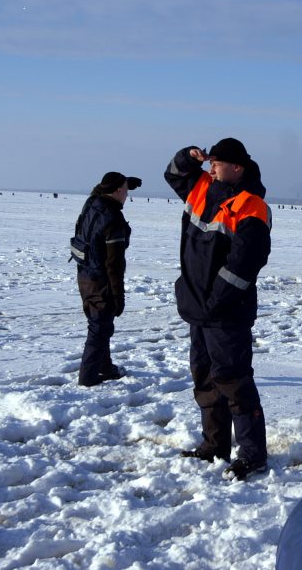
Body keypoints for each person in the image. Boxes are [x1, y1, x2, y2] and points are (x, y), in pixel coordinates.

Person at [164, 138, 272, 481]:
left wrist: (215, 301)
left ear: (236, 167)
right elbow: (173, 175)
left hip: (226, 314)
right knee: (205, 379)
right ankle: (215, 445)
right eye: (209, 163)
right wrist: (188, 156)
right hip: (198, 309)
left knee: (234, 382)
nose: (211, 168)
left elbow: (245, 264)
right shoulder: (202, 188)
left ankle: (253, 455)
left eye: (217, 163)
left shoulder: (251, 206)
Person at [70, 172, 141, 387]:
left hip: (84, 275)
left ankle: (104, 367)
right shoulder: (113, 218)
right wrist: (118, 296)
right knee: (99, 328)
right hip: (100, 279)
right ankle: (87, 379)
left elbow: (100, 189)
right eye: (126, 190)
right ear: (118, 191)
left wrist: (126, 181)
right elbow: (115, 264)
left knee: (101, 325)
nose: (127, 195)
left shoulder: (93, 202)